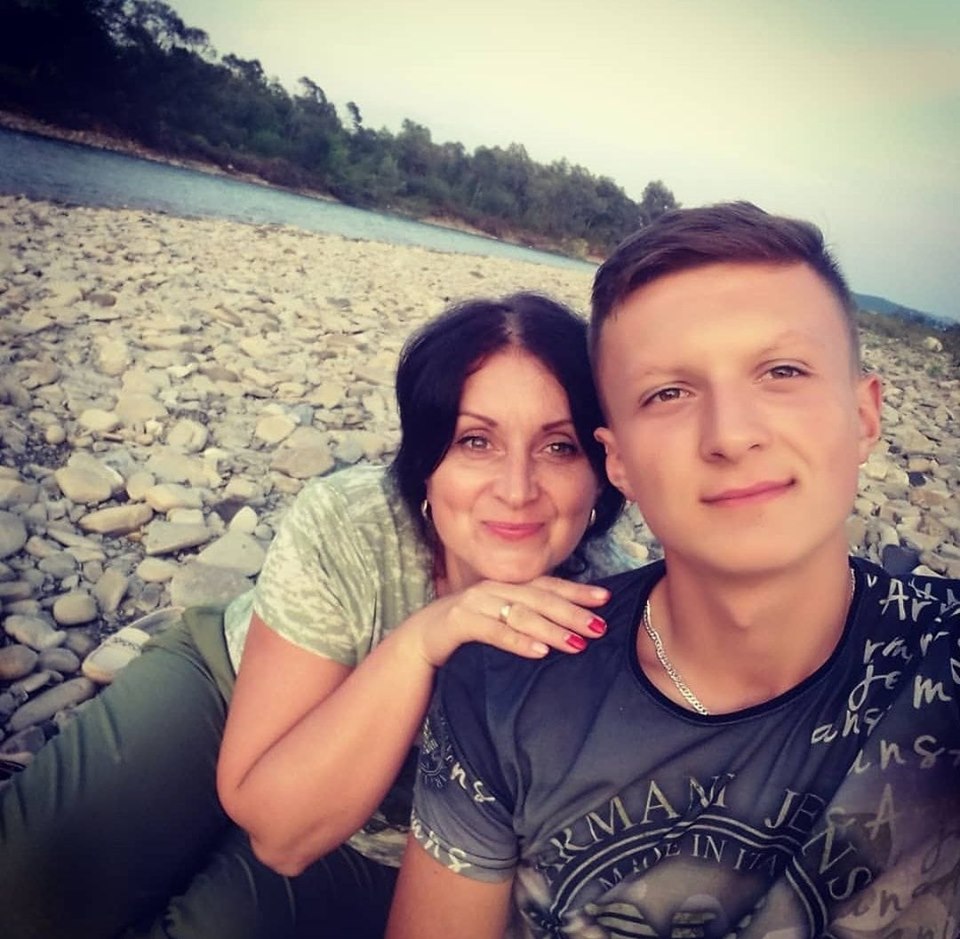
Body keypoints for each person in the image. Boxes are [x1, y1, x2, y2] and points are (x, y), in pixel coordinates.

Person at [387, 203, 960, 938]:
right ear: (618, 460)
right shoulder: (507, 685)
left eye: (782, 371)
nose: (731, 434)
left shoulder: (939, 658)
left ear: (864, 416)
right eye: (668, 393)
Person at [0, 292, 632, 939]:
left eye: (559, 447)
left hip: (389, 834)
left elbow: (283, 838)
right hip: (234, 688)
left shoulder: (618, 615)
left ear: (603, 470)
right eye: (476, 440)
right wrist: (423, 638)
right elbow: (267, 805)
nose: (518, 488)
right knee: (27, 890)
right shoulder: (351, 521)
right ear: (426, 461)